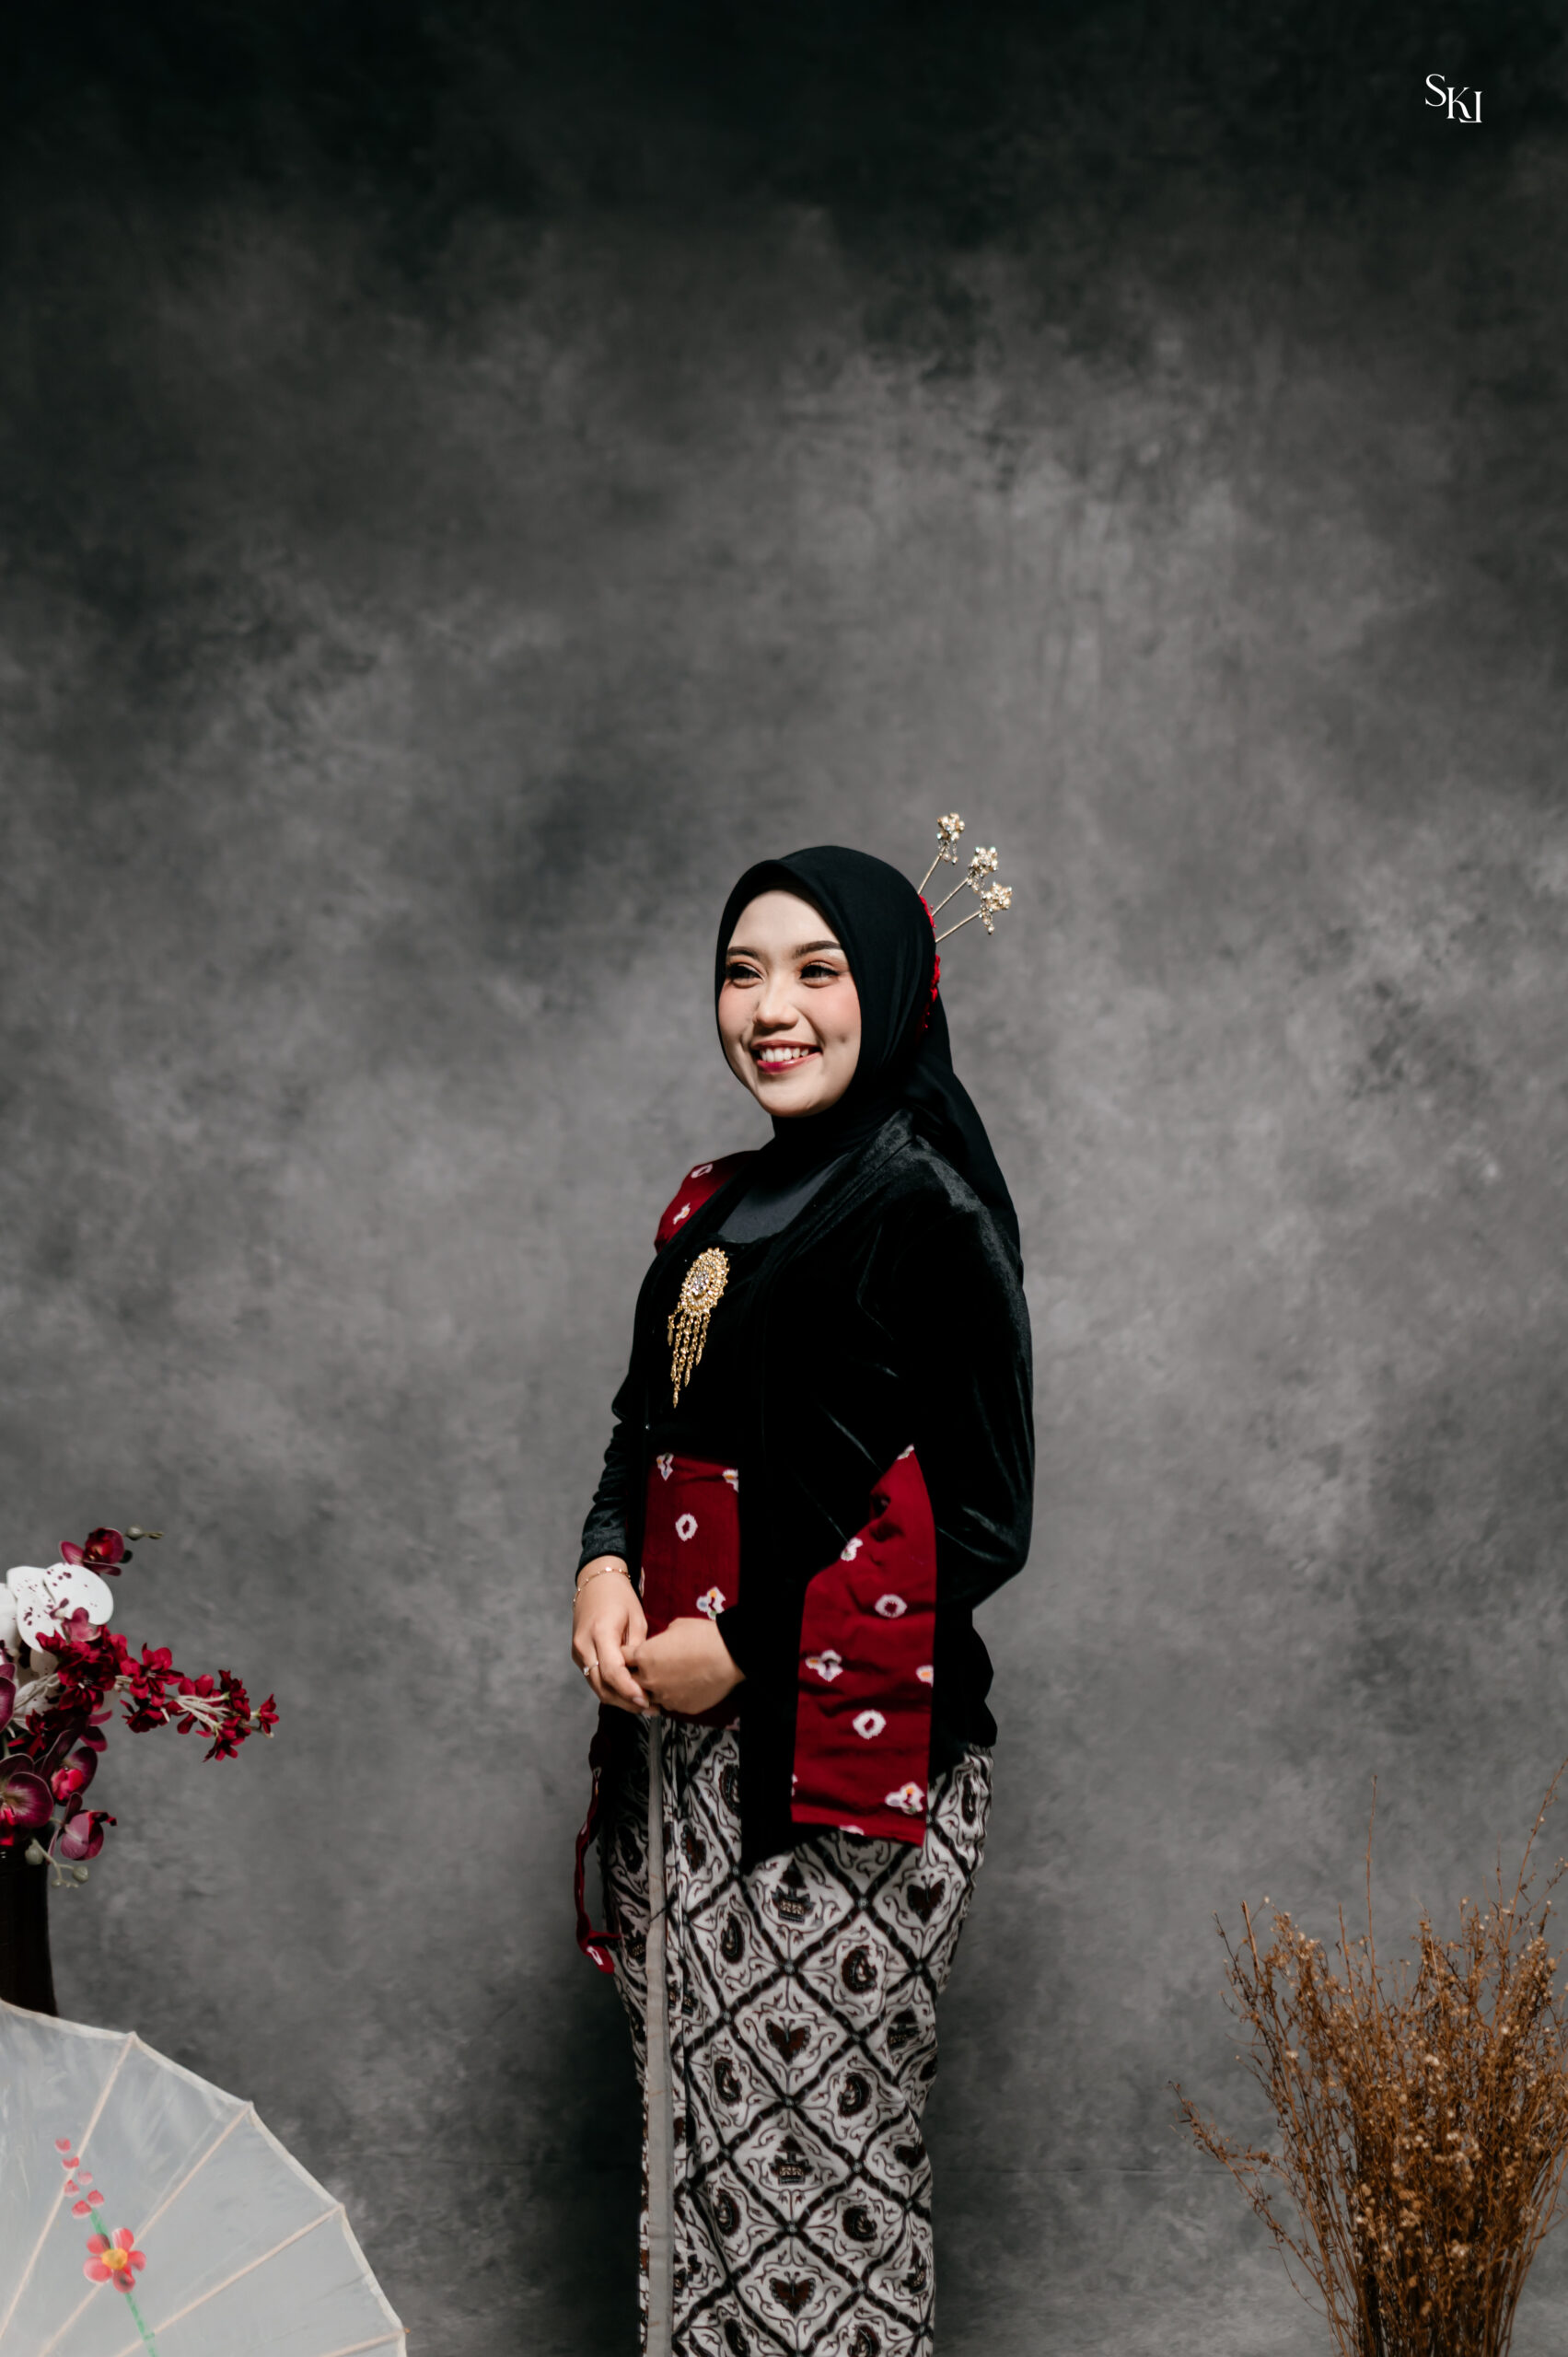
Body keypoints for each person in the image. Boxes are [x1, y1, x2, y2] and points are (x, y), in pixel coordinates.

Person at [572, 843, 1034, 2357]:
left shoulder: (925, 1209)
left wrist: (748, 1649)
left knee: (813, 2176)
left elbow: (983, 1520)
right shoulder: (712, 1212)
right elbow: (643, 1432)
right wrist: (602, 1565)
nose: (772, 1008)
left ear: (892, 988)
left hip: (845, 1767)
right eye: (742, 971)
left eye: (817, 971)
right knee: (692, 2163)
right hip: (672, 1758)